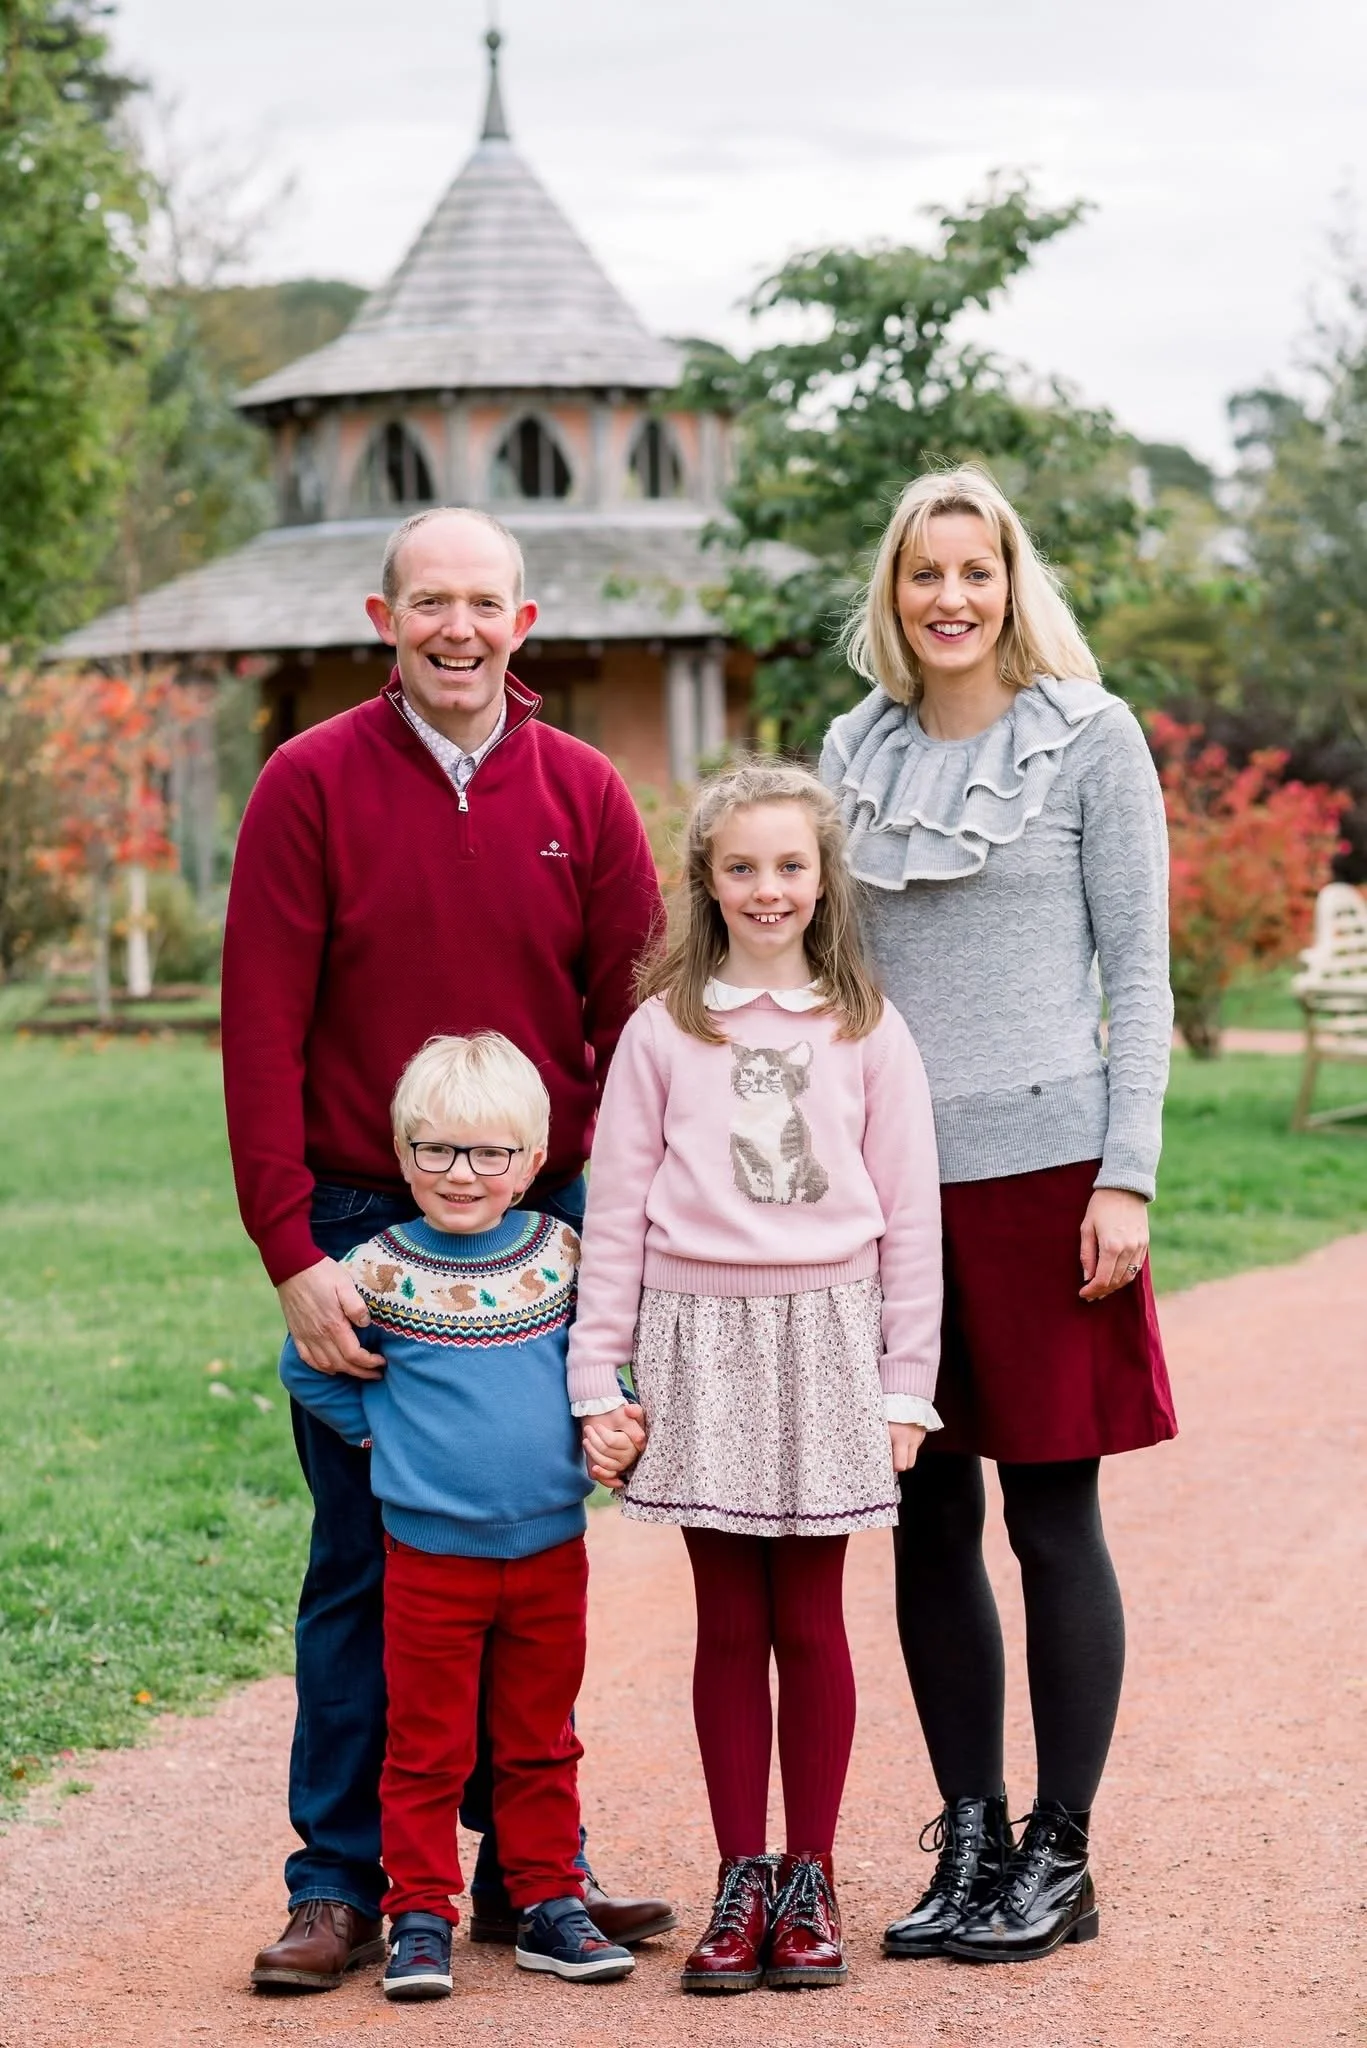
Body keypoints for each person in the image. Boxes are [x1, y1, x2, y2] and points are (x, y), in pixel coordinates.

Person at [221, 507, 672, 1993]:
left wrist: (605, 1218)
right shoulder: (310, 784)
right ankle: (342, 1883)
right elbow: (260, 1032)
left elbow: (636, 1025)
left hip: (548, 1226)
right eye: (431, 603)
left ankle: (528, 1873)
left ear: (523, 623)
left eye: (484, 603)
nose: (458, 628)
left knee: (523, 1540)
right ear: (384, 615)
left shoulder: (583, 791)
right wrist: (291, 1248)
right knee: (367, 1559)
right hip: (364, 1224)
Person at [820, 463, 1176, 1964]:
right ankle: (965, 1833)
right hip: (884, 1186)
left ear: (1012, 583)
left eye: (974, 570)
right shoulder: (847, 752)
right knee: (917, 1514)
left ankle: (1058, 1852)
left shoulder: (1091, 744)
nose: (948, 597)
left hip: (1047, 1181)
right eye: (922, 574)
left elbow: (1138, 977)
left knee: (1046, 1513)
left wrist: (1127, 1173)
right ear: (892, 596)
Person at [567, 760, 944, 1994]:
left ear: (822, 876)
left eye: (789, 865)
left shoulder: (866, 1026)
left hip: (828, 1338)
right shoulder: (663, 1026)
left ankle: (812, 1873)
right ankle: (741, 1876)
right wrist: (594, 1376)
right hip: (696, 1340)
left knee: (810, 1615)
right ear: (705, 880)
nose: (766, 887)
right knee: (728, 1619)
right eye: (741, 867)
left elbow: (908, 1220)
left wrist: (904, 1384)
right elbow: (615, 1212)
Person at [280, 1033, 636, 2000]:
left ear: (529, 1165)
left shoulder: (562, 1253)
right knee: (427, 1745)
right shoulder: (379, 1266)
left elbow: (607, 1353)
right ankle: (420, 1917)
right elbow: (301, 1364)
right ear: (401, 1158)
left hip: (551, 1553)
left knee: (538, 1739)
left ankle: (547, 1902)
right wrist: (382, 1438)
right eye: (434, 1150)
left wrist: (615, 1415)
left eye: (487, 1153)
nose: (460, 1173)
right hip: (430, 1559)